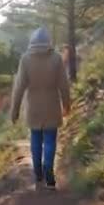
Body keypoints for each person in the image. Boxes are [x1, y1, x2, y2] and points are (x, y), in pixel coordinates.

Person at [10, 27, 71, 191]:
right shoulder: (56, 58)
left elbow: (19, 87)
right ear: (48, 42)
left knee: (35, 140)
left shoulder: (25, 59)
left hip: (33, 107)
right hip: (51, 105)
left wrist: (14, 110)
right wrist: (67, 104)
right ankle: (49, 173)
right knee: (50, 141)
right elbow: (64, 85)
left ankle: (38, 173)